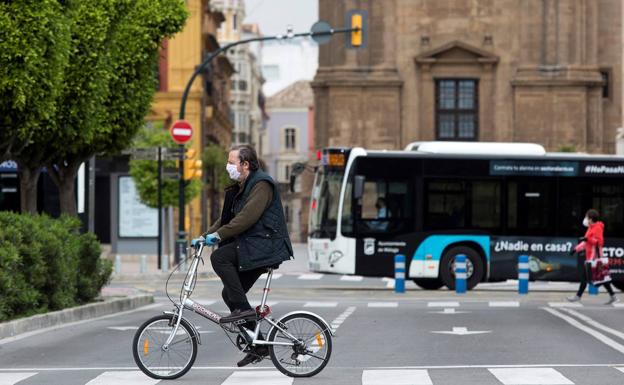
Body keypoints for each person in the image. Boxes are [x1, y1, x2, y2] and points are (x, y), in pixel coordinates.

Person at [192, 144, 293, 367]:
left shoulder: (262, 184)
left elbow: (247, 218)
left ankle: (245, 312)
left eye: (231, 162)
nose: (228, 166)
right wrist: (204, 236)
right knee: (230, 295)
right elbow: (227, 219)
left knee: (220, 258)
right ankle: (258, 346)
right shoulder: (241, 186)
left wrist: (218, 237)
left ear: (245, 164)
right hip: (252, 245)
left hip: (265, 246)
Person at [567, 209, 618, 305]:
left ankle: (577, 297)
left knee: (587, 278)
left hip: (595, 257)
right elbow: (585, 242)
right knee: (602, 278)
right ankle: (613, 296)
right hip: (590, 257)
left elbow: (599, 242)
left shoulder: (597, 227)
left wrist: (587, 238)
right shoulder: (590, 227)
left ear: (591, 219)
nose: (585, 219)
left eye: (587, 217)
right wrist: (575, 249)